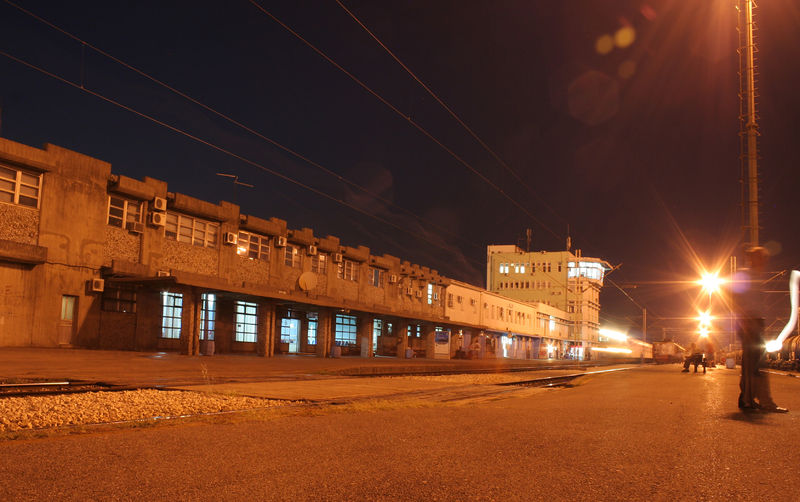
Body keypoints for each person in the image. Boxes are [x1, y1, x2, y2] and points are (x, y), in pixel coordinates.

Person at [731, 247, 788, 412]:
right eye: (761, 258)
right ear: (753, 259)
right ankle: (753, 401)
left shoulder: (756, 276)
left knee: (756, 364)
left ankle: (751, 399)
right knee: (754, 364)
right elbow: (734, 299)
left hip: (756, 322)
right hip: (750, 322)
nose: (764, 261)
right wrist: (744, 321)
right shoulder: (745, 275)